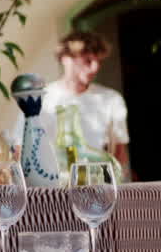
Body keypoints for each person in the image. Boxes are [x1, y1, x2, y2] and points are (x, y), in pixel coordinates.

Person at [9, 31, 131, 178]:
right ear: (66, 59)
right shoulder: (38, 99)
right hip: (53, 184)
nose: (95, 68)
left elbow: (119, 154)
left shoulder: (111, 99)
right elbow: (19, 149)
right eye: (88, 60)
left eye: (99, 61)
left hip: (96, 182)